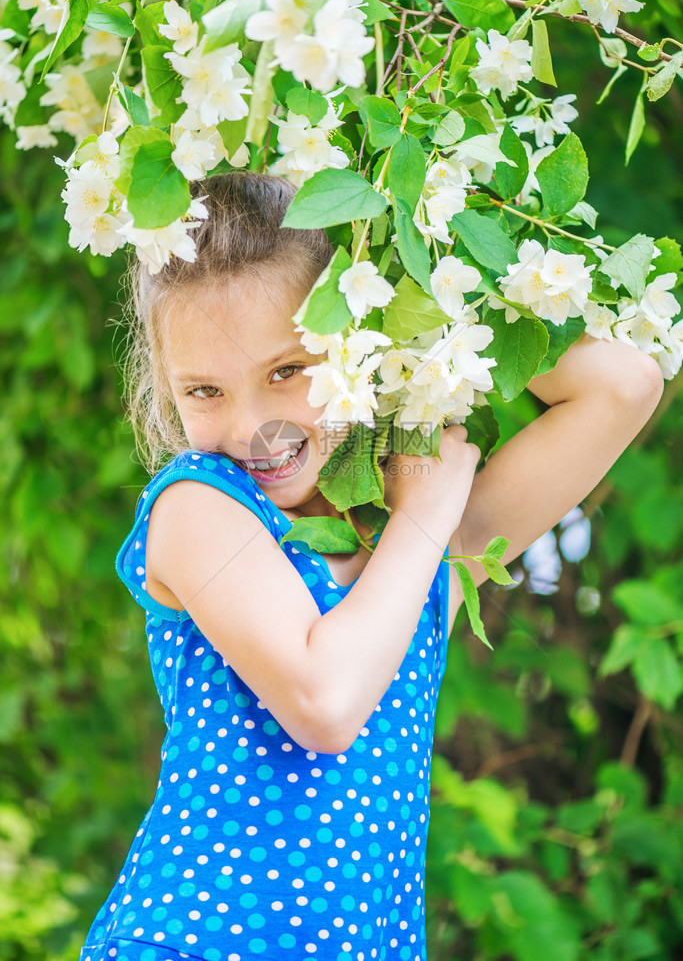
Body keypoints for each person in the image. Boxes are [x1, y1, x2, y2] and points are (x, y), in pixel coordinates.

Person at [79, 171, 663, 961]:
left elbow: (622, 384)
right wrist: (425, 517)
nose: (253, 427)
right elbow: (323, 701)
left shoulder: (406, 552)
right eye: (204, 390)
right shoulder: (197, 505)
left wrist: (406, 288)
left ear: (355, 340)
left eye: (287, 370)